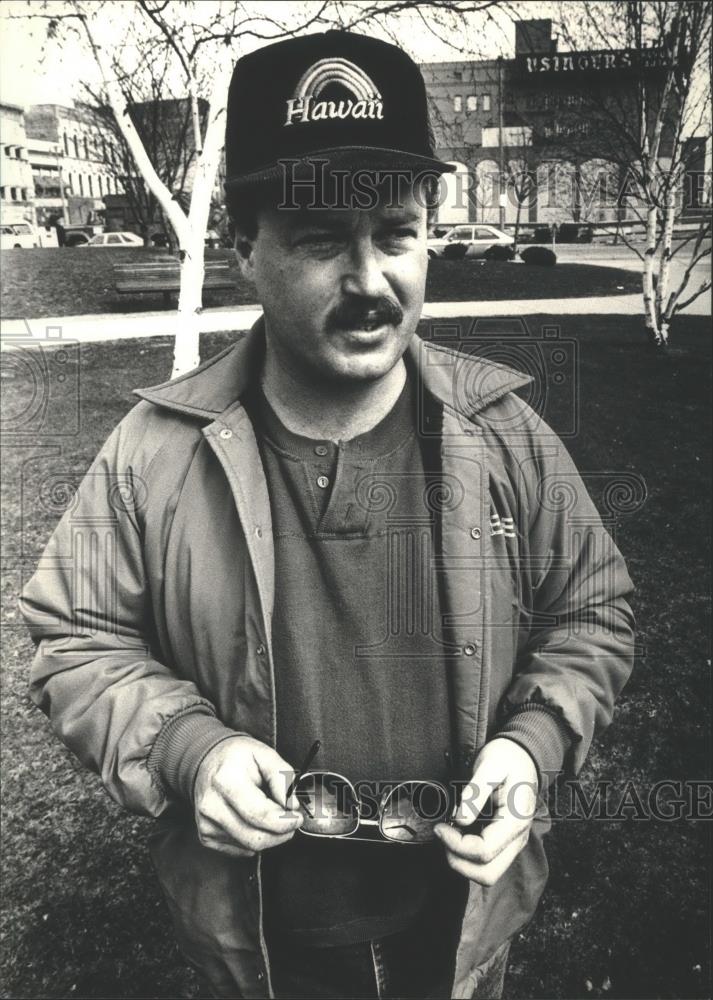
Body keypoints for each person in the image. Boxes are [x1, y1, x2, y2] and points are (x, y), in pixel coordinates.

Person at [21, 30, 635, 1000]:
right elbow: (73, 636)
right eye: (319, 241)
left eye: (395, 234)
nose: (368, 281)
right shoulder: (155, 449)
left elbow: (589, 612)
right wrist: (190, 748)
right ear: (243, 246)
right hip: (257, 945)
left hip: (458, 934)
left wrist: (531, 744)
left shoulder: (504, 435)